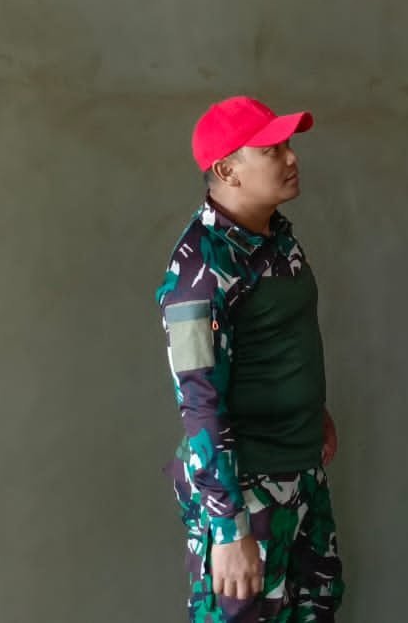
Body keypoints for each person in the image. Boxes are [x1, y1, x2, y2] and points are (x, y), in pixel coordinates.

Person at [156, 96, 345, 623]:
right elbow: (199, 401)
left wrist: (312, 412)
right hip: (245, 488)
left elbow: (280, 339)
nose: (291, 158)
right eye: (272, 150)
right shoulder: (200, 270)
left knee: (316, 609)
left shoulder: (276, 238)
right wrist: (228, 529)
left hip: (300, 470)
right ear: (227, 171)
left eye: (288, 146)